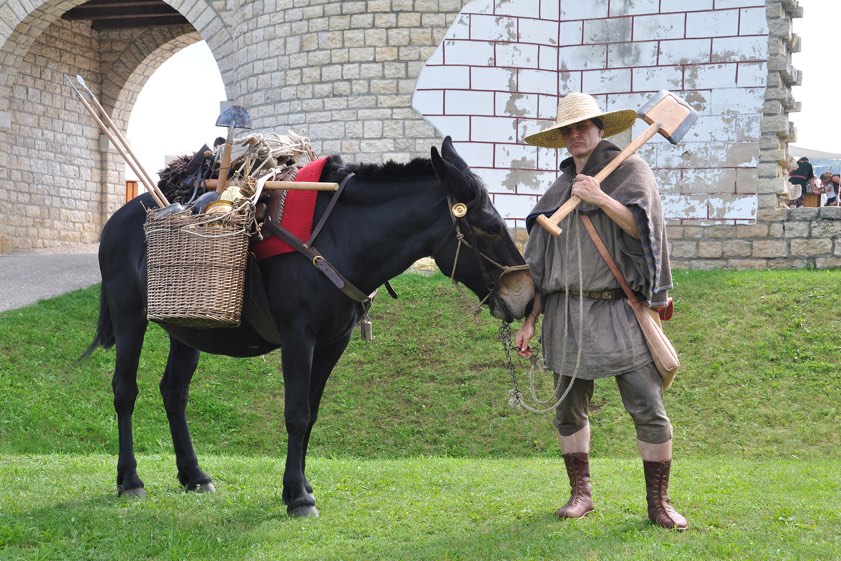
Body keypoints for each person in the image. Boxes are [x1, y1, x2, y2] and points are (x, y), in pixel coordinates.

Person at [515, 92, 687, 530]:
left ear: (600, 129)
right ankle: (581, 494)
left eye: (583, 126)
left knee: (648, 406)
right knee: (568, 411)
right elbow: (541, 265)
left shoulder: (631, 170)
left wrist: (601, 198)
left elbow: (646, 232)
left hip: (618, 311)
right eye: (567, 130)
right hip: (565, 315)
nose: (575, 135)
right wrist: (530, 320)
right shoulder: (558, 189)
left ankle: (659, 503)